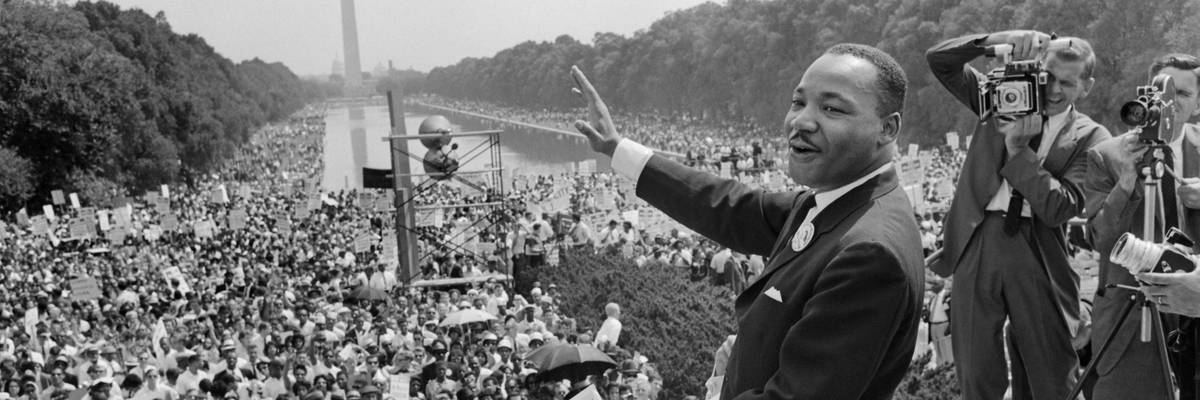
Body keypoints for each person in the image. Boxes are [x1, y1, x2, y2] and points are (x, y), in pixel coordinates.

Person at [571, 43, 925, 399]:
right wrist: (617, 149)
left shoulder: (869, 254)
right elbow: (729, 207)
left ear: (887, 128)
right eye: (798, 102)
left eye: (831, 108)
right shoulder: (836, 201)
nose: (801, 121)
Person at [927, 30, 1110, 400]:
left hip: (1039, 249)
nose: (1054, 90)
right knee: (976, 370)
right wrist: (997, 39)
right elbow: (940, 61)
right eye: (1048, 77)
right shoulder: (1001, 97)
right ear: (1038, 69)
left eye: (1067, 83)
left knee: (1053, 371)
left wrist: (1017, 150)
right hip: (978, 238)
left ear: (1086, 87)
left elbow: (1060, 207)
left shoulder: (1093, 137)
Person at [1086, 53, 1200, 400]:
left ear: (1197, 104)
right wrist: (1125, 184)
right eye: (1162, 93)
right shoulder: (1107, 155)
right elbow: (1100, 239)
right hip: (1133, 314)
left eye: (1182, 94)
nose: (1170, 103)